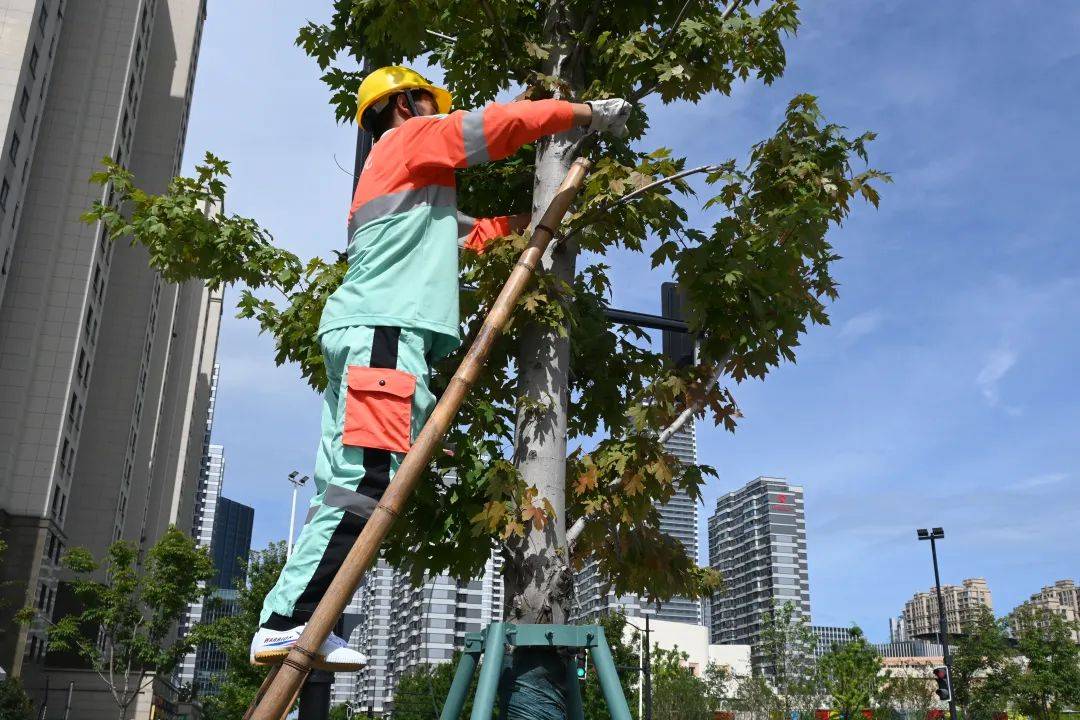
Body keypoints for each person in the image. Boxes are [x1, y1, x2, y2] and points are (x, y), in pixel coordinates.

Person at [249, 66, 631, 670]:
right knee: (366, 486)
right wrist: (582, 114)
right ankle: (287, 622)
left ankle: (296, 620)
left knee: (345, 487)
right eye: (427, 100)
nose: (435, 109)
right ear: (403, 104)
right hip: (383, 331)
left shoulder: (410, 189)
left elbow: (474, 235)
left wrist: (541, 223)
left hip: (373, 331)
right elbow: (495, 127)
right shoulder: (407, 140)